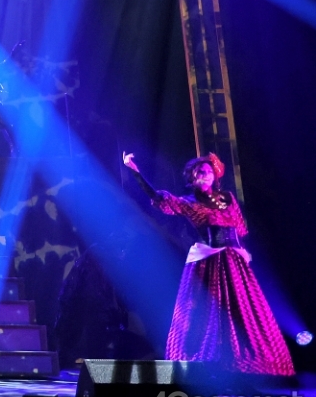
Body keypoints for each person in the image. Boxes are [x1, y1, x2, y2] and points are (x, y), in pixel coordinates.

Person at [122, 152, 294, 375]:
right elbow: (158, 197)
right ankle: (208, 366)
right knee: (209, 312)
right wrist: (135, 172)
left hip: (235, 262)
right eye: (199, 172)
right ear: (192, 178)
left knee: (245, 310)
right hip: (210, 263)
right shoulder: (189, 203)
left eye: (208, 171)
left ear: (215, 175)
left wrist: (243, 253)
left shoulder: (228, 198)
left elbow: (239, 230)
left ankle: (252, 366)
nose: (204, 174)